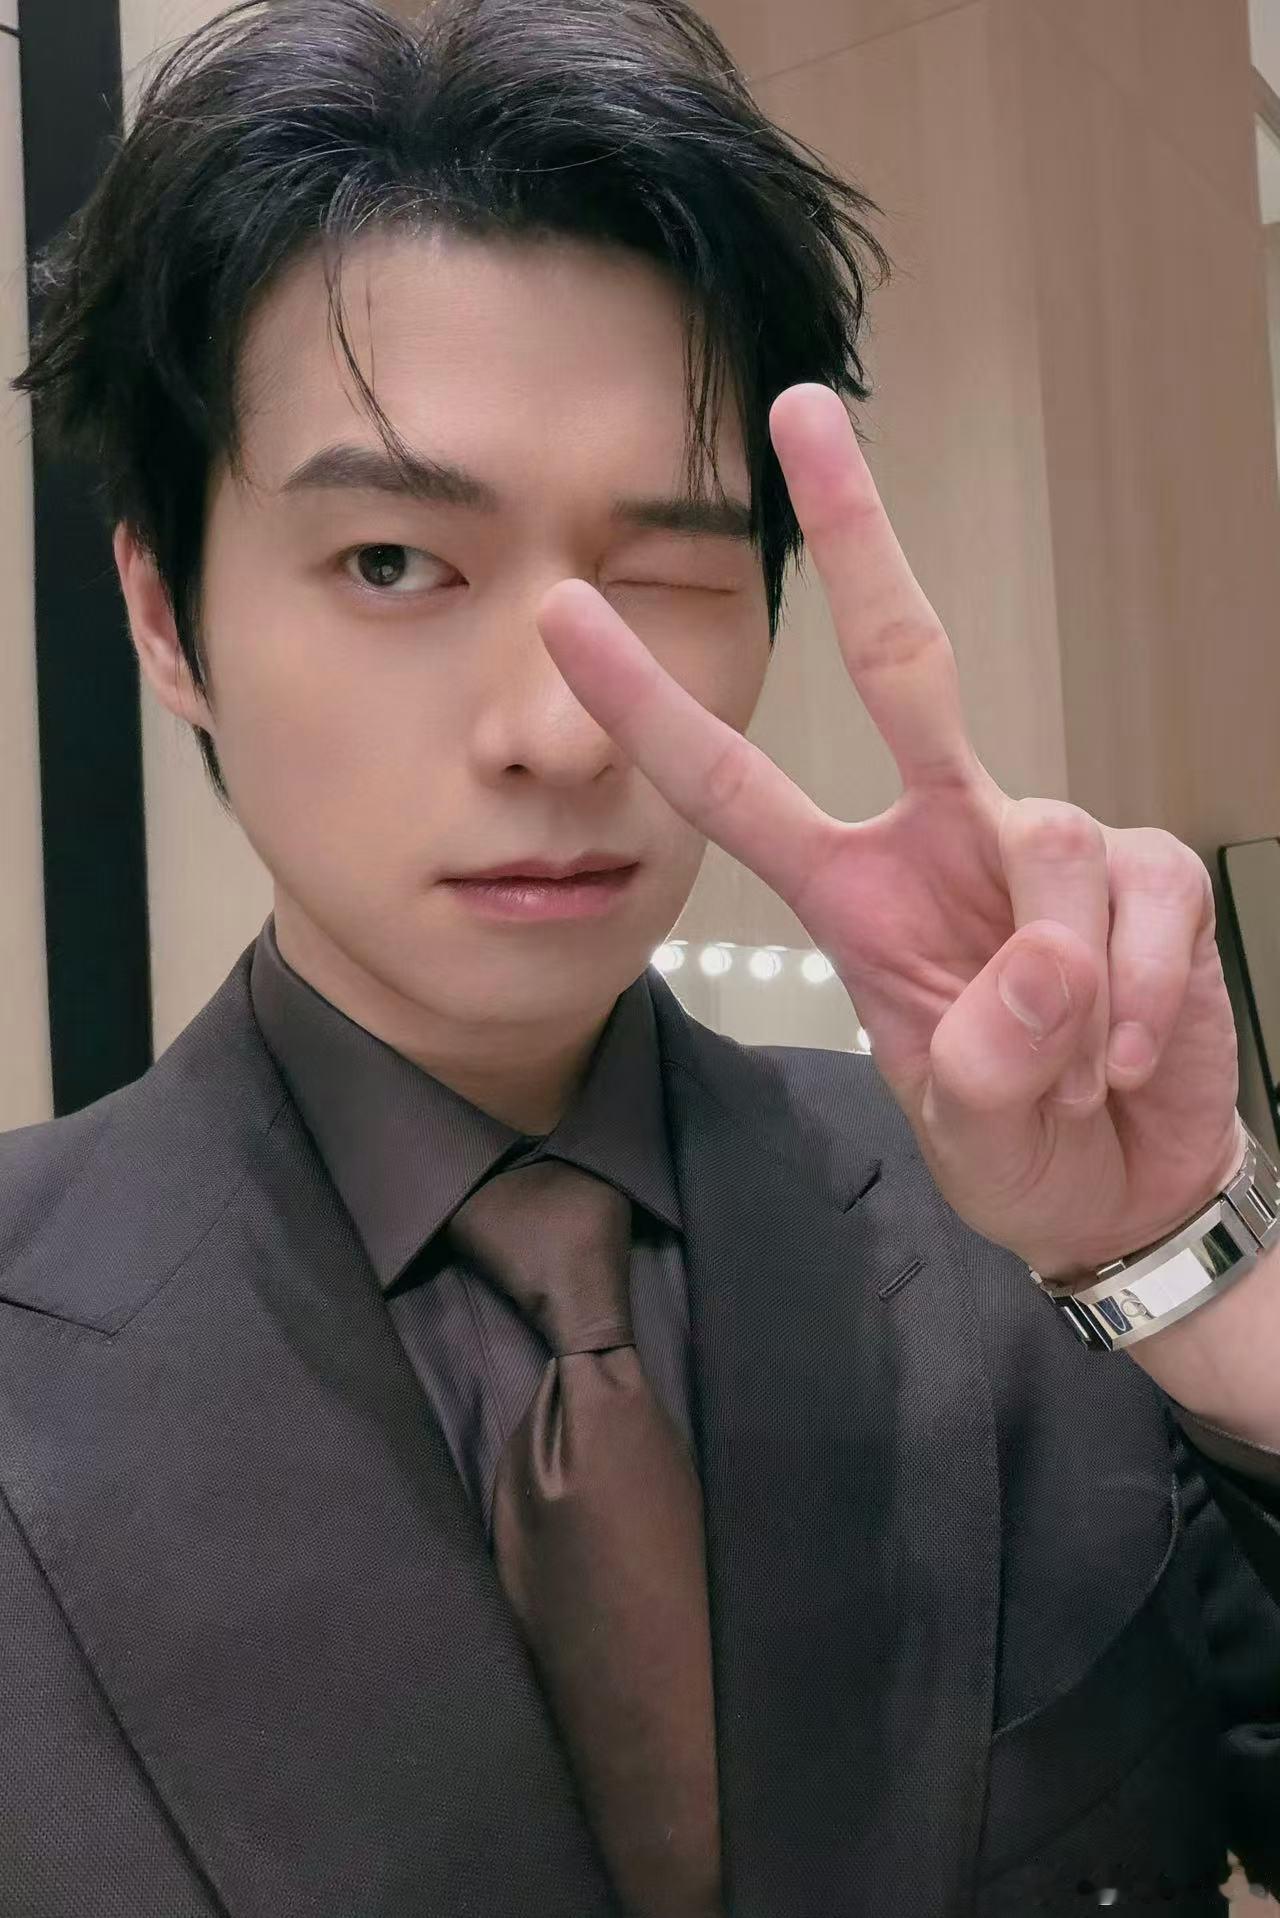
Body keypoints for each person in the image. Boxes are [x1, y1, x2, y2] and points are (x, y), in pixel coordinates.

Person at [5, 1, 1279, 1911]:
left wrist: (1204, 1277)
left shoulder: (1033, 1239)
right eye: (391, 563)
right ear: (164, 616)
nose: (560, 729)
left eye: (667, 572)